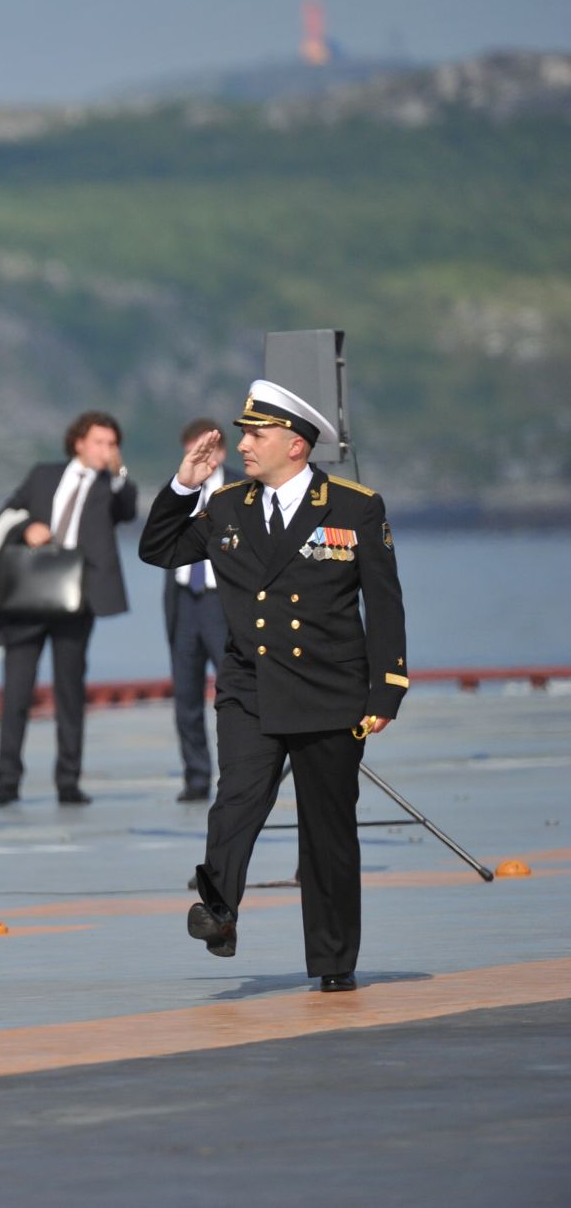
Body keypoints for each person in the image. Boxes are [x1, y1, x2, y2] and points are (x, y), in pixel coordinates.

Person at [140, 379, 408, 993]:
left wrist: (386, 690)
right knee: (235, 803)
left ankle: (334, 960)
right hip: (250, 687)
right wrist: (184, 484)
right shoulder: (228, 506)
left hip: (329, 691)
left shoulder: (354, 507)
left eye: (256, 434)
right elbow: (157, 549)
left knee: (327, 832)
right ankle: (220, 911)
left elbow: (384, 605)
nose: (243, 445)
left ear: (296, 444)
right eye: (242, 434)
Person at [0, 410, 137, 807]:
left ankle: (68, 780)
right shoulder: (43, 475)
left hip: (77, 599)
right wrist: (27, 529)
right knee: (16, 692)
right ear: (79, 443)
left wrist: (120, 471)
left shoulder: (112, 487)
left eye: (111, 443)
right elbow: (7, 513)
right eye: (100, 442)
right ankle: (7, 781)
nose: (106, 450)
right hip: (29, 596)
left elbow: (128, 510)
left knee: (70, 693)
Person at [163, 417, 234, 803]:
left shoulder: (242, 487)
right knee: (186, 696)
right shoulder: (179, 487)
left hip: (221, 602)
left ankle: (237, 774)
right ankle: (196, 777)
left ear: (221, 449)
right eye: (192, 448)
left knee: (232, 692)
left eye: (205, 447)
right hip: (184, 602)